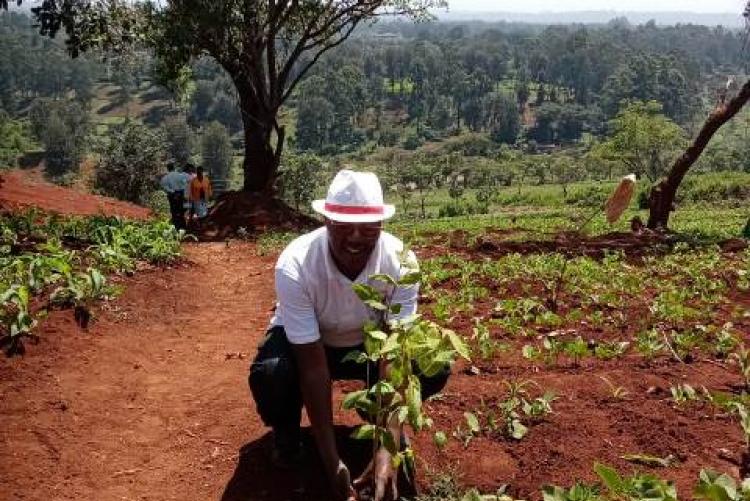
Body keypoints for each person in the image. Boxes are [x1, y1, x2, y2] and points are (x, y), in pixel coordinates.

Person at [248, 170, 449, 501]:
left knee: (431, 365)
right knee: (273, 374)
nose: (355, 237)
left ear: (381, 226)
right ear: (325, 221)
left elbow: (393, 353)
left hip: (369, 345)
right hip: (312, 345)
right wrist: (334, 467)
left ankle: (379, 420)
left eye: (368, 228)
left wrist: (387, 448)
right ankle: (287, 433)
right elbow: (312, 367)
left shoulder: (400, 262)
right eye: (343, 225)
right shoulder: (296, 264)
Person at [159, 162, 187, 230]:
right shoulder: (180, 175)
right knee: (181, 210)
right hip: (180, 193)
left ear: (168, 168)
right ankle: (183, 226)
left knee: (173, 210)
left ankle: (175, 226)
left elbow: (163, 185)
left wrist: (171, 191)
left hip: (172, 195)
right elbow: (185, 183)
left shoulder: (166, 177)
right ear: (174, 167)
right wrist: (181, 191)